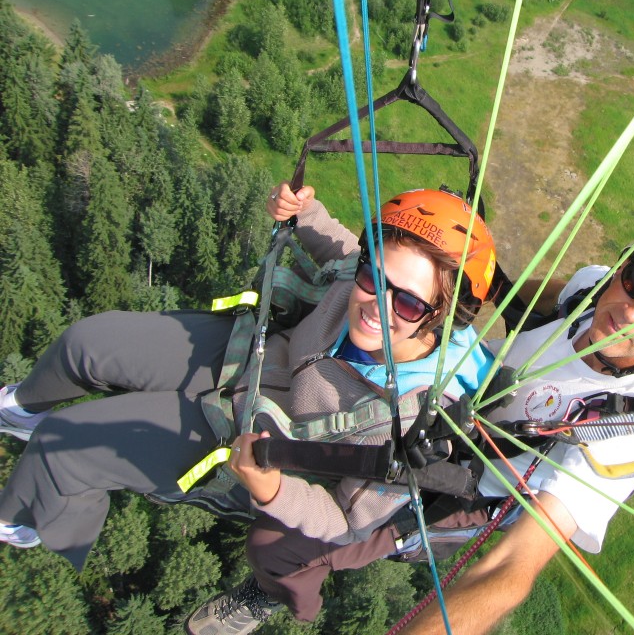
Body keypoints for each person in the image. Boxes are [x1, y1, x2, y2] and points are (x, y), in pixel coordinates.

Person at [186, 217, 634, 635]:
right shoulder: (593, 288)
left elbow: (510, 568)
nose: (631, 311)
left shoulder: (630, 424)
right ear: (622, 269)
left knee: (280, 547)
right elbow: (530, 307)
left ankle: (279, 597)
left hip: (463, 489)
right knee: (319, 419)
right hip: (446, 396)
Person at [0, 184, 498, 573]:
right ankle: (21, 408)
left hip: (245, 436)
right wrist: (305, 211)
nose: (376, 306)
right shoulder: (368, 279)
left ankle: (26, 520)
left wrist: (271, 490)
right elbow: (342, 252)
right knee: (87, 343)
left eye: (407, 302)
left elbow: (347, 523)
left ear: (441, 315)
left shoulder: (412, 419)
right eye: (373, 280)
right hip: (250, 356)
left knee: (61, 451)